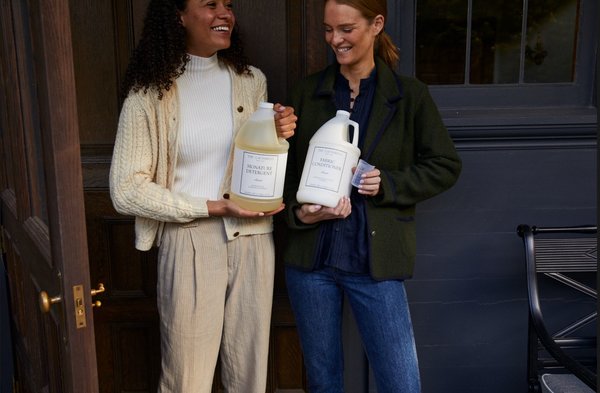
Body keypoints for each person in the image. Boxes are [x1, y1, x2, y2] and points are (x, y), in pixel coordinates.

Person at [109, 0, 296, 392]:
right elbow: (125, 191)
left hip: (254, 239)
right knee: (186, 380)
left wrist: (278, 132)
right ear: (178, 16)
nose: (224, 13)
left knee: (249, 378)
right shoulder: (149, 95)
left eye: (228, 4)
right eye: (210, 4)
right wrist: (210, 206)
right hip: (191, 241)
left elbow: (255, 160)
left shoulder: (251, 80)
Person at [282, 0, 462, 392]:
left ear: (376, 24)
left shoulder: (410, 95)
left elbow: (446, 165)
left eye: (346, 29)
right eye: (329, 30)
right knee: (323, 380)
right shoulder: (307, 92)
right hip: (311, 264)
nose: (335, 39)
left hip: (374, 263)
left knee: (401, 383)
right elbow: (288, 175)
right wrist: (302, 214)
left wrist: (389, 184)